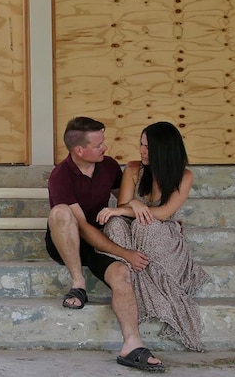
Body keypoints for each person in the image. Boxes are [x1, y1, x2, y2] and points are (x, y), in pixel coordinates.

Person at [45, 116, 165, 372]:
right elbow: (84, 229)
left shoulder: (108, 166)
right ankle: (78, 284)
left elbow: (123, 199)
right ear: (79, 150)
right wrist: (124, 252)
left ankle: (132, 346)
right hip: (67, 238)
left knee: (122, 273)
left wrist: (134, 204)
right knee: (61, 213)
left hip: (99, 237)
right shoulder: (60, 176)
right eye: (99, 145)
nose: (105, 148)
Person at [97, 121, 209, 352]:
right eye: (141, 144)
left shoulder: (184, 176)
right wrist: (131, 206)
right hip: (134, 234)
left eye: (148, 147)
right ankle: (132, 278)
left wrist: (133, 207)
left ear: (164, 149)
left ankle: (148, 285)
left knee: (143, 225)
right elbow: (123, 206)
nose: (142, 150)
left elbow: (165, 213)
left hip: (162, 236)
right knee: (115, 224)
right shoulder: (133, 169)